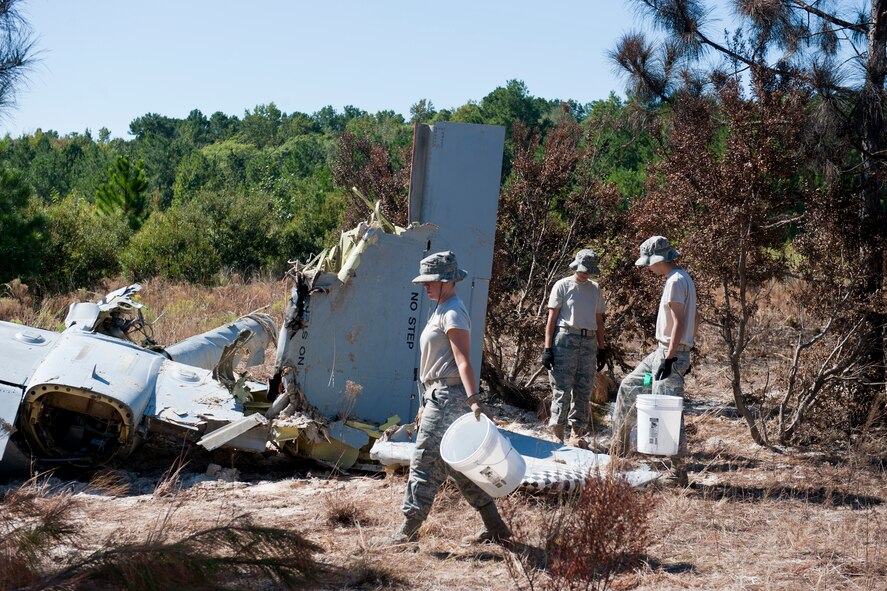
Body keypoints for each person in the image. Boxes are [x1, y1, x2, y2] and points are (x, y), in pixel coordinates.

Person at [383, 250, 511, 547]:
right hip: (439, 395)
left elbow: (464, 360)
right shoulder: (441, 307)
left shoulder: (453, 312)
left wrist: (474, 399)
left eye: (430, 280)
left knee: (424, 462)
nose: (425, 285)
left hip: (449, 398)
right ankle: (495, 526)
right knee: (457, 468)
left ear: (446, 281)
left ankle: (408, 530)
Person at [611, 236, 698, 456]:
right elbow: (695, 318)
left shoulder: (676, 281)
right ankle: (619, 449)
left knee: (668, 413)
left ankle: (676, 473)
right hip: (664, 351)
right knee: (630, 386)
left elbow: (679, 321)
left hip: (670, 353)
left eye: (649, 262)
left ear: (658, 260)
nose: (648, 267)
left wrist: (671, 358)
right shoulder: (681, 278)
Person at [541, 249, 607, 444]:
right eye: (582, 269)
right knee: (561, 387)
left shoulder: (595, 289)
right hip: (565, 339)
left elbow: (599, 319)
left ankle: (577, 434)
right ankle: (557, 433)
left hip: (588, 341)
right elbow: (551, 319)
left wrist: (602, 347)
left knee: (584, 387)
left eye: (589, 270)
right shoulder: (562, 286)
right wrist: (548, 348)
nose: (585, 273)